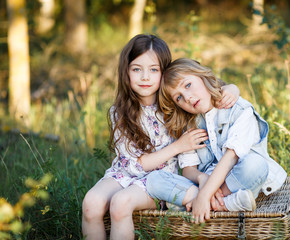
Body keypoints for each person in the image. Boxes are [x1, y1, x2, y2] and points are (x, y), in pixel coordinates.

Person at [81, 35, 240, 240]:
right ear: (125, 71)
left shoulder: (176, 102)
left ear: (165, 72)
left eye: (154, 70)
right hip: (125, 173)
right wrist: (178, 147)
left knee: (120, 204)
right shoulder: (119, 112)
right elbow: (134, 165)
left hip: (161, 180)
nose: (145, 77)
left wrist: (231, 88)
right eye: (137, 69)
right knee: (90, 203)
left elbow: (208, 91)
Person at [146, 58, 287, 224]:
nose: (188, 98)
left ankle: (200, 202)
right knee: (154, 179)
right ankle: (225, 204)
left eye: (188, 85)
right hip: (206, 182)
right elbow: (188, 170)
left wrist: (204, 195)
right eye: (179, 98)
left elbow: (230, 159)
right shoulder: (189, 124)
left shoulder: (239, 109)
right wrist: (202, 179)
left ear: (201, 76)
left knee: (257, 165)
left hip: (238, 179)